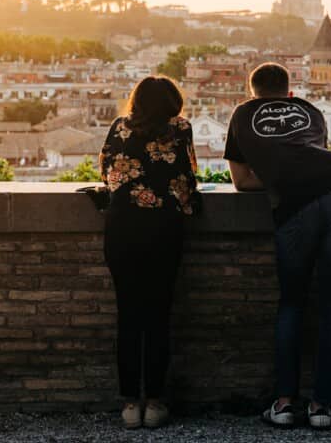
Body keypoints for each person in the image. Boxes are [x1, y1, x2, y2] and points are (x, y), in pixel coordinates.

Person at [224, 62, 331, 431]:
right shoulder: (311, 110)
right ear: (289, 91)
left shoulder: (242, 114)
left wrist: (274, 181)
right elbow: (309, 155)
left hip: (297, 205)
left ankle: (285, 403)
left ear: (251, 91)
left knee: (292, 302)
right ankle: (322, 408)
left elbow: (241, 182)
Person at [100, 75, 199, 430]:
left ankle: (129, 404)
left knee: (128, 316)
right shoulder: (180, 128)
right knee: (158, 316)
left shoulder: (120, 127)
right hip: (163, 229)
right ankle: (154, 403)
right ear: (172, 101)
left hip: (122, 227)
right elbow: (188, 177)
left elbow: (108, 171)